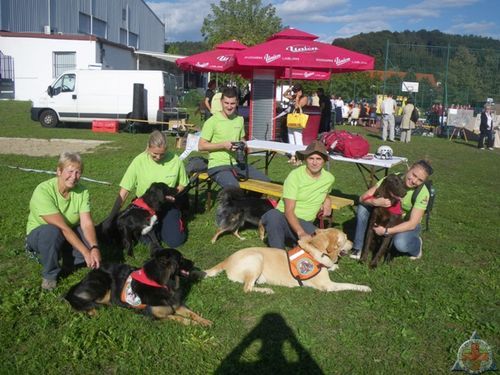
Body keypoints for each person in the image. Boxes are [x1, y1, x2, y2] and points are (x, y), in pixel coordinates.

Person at [25, 152, 101, 290]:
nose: (74, 177)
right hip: (43, 233)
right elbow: (62, 228)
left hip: (68, 232)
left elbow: (87, 223)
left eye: (78, 172)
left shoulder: (82, 191)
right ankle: (50, 275)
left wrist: (94, 248)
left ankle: (66, 258)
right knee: (52, 232)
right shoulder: (43, 191)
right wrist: (85, 251)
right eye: (70, 171)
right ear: (59, 171)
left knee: (90, 237)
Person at [108, 130, 189, 248]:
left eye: (162, 154)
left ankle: (165, 224)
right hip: (143, 206)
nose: (158, 157)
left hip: (166, 204)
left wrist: (174, 194)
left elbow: (183, 183)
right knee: (148, 242)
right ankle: (154, 228)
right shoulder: (139, 161)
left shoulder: (175, 160)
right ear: (148, 147)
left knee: (175, 241)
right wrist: (112, 216)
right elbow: (124, 191)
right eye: (154, 154)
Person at [350, 160, 434, 260]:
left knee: (400, 244)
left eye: (420, 180)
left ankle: (416, 247)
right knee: (363, 207)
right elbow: (362, 198)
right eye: (414, 175)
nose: (414, 181)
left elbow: (412, 224)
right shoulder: (392, 178)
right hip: (387, 216)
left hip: (405, 223)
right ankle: (358, 248)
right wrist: (375, 202)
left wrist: (386, 231)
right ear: (409, 168)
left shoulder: (422, 193)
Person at [261, 141, 334, 249]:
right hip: (284, 218)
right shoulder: (295, 176)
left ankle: (297, 245)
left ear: (324, 161)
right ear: (305, 159)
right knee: (273, 215)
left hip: (306, 222)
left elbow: (326, 192)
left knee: (321, 247)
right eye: (311, 158)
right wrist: (301, 233)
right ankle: (278, 253)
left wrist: (327, 199)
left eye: (318, 159)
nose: (314, 163)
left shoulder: (329, 178)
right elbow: (289, 211)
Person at [198, 86, 270, 188]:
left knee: (266, 182)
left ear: (237, 103)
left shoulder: (239, 120)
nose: (229, 107)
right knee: (233, 187)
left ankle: (248, 203)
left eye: (232, 103)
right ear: (221, 102)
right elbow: (201, 146)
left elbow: (241, 139)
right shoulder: (212, 121)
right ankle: (231, 203)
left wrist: (243, 144)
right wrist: (223, 145)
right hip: (218, 165)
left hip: (237, 164)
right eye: (226, 103)